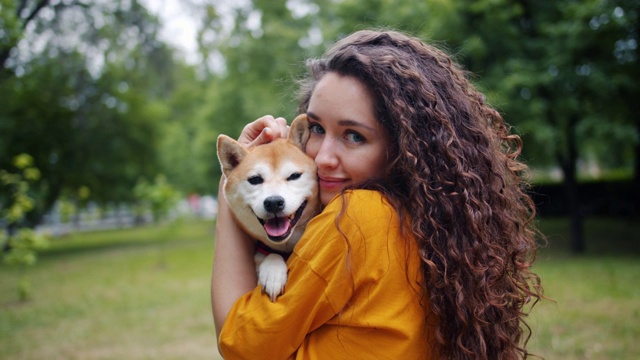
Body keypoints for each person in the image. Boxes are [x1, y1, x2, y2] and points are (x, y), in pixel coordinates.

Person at [211, 29, 543, 359]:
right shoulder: (429, 223)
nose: (322, 157)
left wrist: (231, 188)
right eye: (316, 128)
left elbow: (242, 344)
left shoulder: (356, 216)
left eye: (353, 136)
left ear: (403, 148)